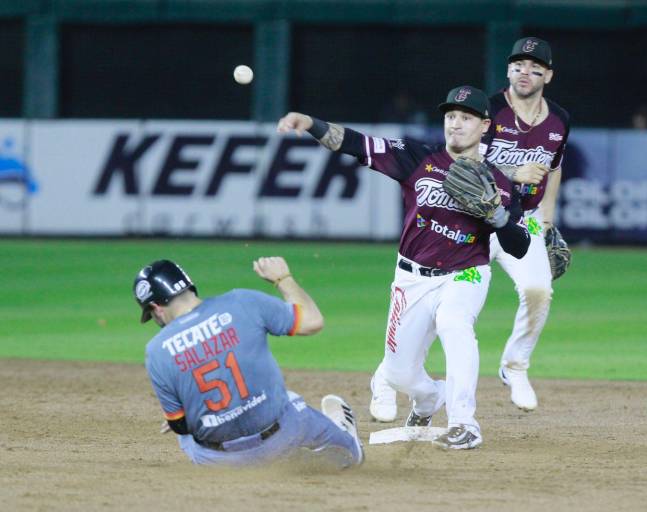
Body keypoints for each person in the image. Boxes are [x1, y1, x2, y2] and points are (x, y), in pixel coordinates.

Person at [277, 85, 531, 450]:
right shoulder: (418, 158)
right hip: (411, 277)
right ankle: (430, 398)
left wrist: (499, 216)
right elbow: (357, 144)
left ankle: (464, 423)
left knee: (454, 324)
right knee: (399, 373)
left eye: (465, 118)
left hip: (467, 273)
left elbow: (518, 247)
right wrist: (311, 124)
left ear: (485, 125)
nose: (455, 125)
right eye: (450, 117)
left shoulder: (502, 183)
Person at [136, 257, 364, 468]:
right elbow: (313, 321)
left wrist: (195, 419)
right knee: (292, 401)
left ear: (156, 307)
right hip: (280, 437)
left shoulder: (155, 350)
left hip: (220, 462)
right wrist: (283, 279)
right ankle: (346, 445)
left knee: (185, 435)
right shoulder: (241, 301)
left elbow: (179, 425)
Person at [481, 37, 571, 411]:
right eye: (518, 65)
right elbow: (458, 163)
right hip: (476, 220)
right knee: (449, 305)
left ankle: (514, 366)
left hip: (522, 220)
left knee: (538, 290)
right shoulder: (487, 109)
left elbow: (554, 168)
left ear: (547, 75)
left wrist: (547, 218)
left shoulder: (559, 119)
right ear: (508, 70)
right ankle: (395, 374)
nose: (525, 72)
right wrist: (511, 171)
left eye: (535, 67)